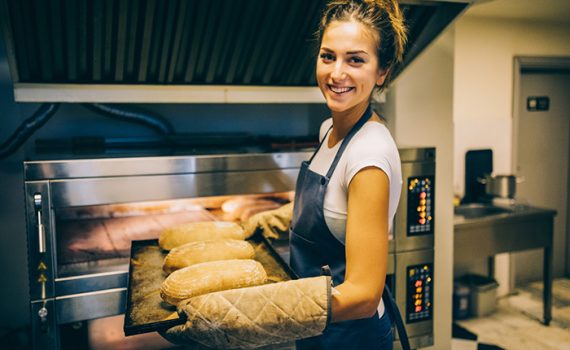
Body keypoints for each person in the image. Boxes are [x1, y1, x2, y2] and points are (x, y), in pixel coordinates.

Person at [288, 0, 407, 349]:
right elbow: (334, 210)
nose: (336, 73)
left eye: (355, 60)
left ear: (382, 71)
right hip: (314, 329)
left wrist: (273, 309)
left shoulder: (369, 155)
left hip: (351, 337)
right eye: (328, 56)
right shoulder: (329, 129)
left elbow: (363, 296)